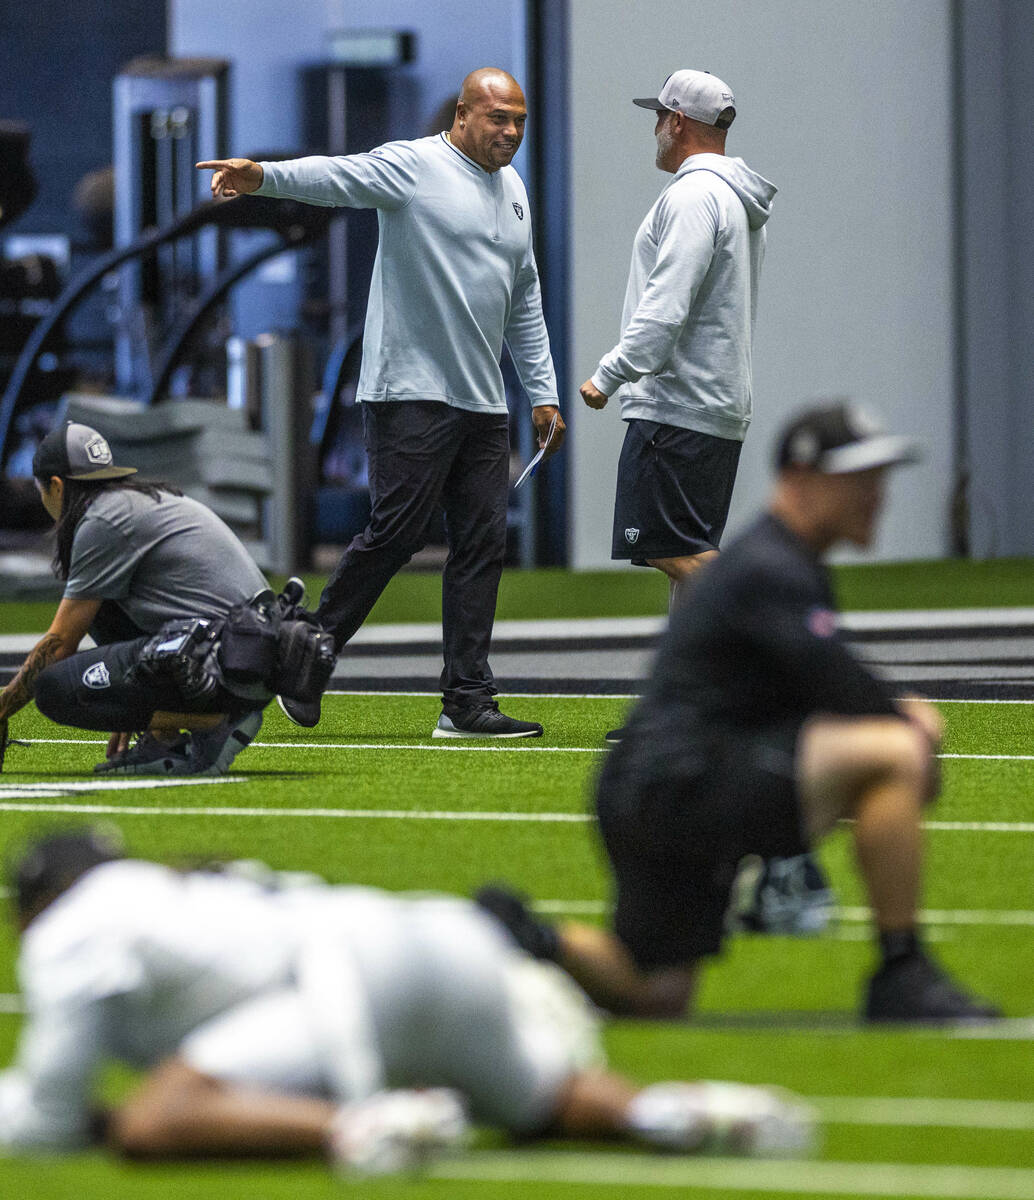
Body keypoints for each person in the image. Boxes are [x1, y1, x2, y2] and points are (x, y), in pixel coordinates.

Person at [479, 401, 1002, 1025]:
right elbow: (840, 685)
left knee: (655, 993)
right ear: (800, 482)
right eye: (857, 480)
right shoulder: (771, 567)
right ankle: (902, 971)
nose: (875, 496)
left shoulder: (777, 563)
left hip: (648, 792)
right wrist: (908, 716)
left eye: (879, 480)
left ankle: (519, 936)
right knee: (894, 753)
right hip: (679, 789)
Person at [0, 829, 817, 1170]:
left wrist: (92, 1118)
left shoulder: (70, 927)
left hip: (350, 982)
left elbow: (52, 1111)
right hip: (440, 936)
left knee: (152, 1118)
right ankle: (669, 1111)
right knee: (546, 1101)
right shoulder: (187, 889)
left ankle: (368, 1124)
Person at [197, 67, 565, 740]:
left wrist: (541, 392)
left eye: (519, 121)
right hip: (409, 393)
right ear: (462, 115)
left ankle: (467, 702)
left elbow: (526, 297)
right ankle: (304, 651)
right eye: (497, 119)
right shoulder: (413, 166)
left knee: (483, 544)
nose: (510, 132)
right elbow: (337, 176)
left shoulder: (512, 189)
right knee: (396, 532)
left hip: (483, 402)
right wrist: (262, 177)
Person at [579, 70, 775, 747]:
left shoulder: (693, 198)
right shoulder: (728, 197)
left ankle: (763, 680)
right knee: (687, 559)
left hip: (677, 404)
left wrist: (608, 374)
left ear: (678, 123)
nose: (654, 129)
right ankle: (685, 710)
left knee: (678, 556)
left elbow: (666, 304)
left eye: (657, 116)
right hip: (712, 402)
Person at [0, 421, 269, 776]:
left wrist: (3, 707)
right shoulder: (134, 502)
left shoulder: (101, 521)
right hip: (249, 656)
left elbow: (59, 646)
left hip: (231, 664)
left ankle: (216, 720)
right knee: (101, 608)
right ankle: (165, 738)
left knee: (52, 688)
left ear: (56, 485)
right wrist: (127, 701)